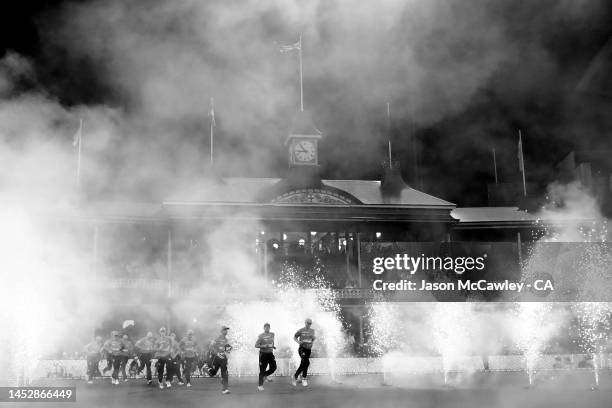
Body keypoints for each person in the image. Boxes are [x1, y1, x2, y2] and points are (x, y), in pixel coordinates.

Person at [205, 325, 232, 394]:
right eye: (225, 330)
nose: (226, 331)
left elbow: (227, 350)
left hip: (223, 359)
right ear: (221, 331)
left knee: (225, 373)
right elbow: (211, 346)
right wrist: (217, 353)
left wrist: (228, 351)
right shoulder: (216, 338)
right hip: (216, 358)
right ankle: (206, 368)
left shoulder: (226, 340)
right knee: (213, 373)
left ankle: (225, 389)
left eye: (227, 330)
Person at [292, 318, 316, 387]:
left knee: (303, 364)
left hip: (308, 350)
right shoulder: (301, 330)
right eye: (308, 323)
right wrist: (299, 342)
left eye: (310, 323)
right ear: (305, 323)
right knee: (306, 362)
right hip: (302, 349)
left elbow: (313, 338)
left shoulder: (312, 331)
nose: (309, 324)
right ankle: (304, 379)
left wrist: (312, 342)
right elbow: (294, 337)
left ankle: (295, 377)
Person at [255, 323, 276, 391]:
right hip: (263, 354)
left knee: (273, 368)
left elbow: (272, 342)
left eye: (268, 327)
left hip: (270, 354)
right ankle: (260, 385)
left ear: (270, 328)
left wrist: (273, 346)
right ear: (263, 328)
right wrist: (263, 346)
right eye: (265, 327)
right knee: (262, 370)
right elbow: (256, 345)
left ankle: (265, 375)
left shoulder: (272, 334)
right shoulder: (261, 336)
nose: (267, 328)